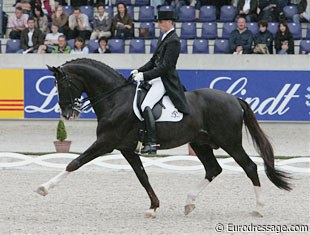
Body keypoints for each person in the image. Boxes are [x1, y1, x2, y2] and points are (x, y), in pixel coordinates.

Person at [130, 11, 189, 154]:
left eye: (161, 22)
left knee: (146, 105)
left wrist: (144, 76)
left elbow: (165, 67)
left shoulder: (174, 40)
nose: (159, 25)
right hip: (157, 77)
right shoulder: (163, 37)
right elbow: (153, 61)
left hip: (165, 80)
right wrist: (139, 71)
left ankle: (152, 143)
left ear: (169, 22)